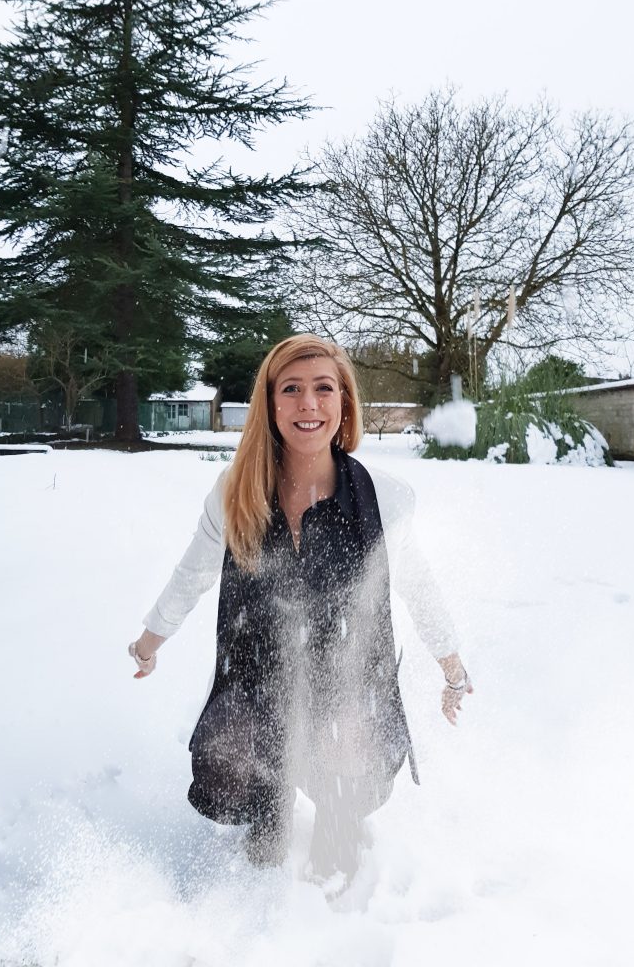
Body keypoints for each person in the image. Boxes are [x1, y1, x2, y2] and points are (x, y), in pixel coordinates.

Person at [129, 334, 472, 886]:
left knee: (342, 806)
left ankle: (339, 864)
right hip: (257, 681)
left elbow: (419, 586)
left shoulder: (387, 499)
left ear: (344, 404)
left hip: (349, 683)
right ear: (269, 405)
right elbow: (192, 574)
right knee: (236, 779)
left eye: (323, 389)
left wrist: (452, 668)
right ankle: (266, 853)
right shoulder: (234, 493)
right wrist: (149, 641)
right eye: (291, 390)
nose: (308, 404)